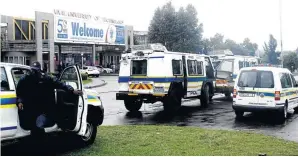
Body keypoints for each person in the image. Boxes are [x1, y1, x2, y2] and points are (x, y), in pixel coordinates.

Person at [16, 61, 82, 145]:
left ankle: (41, 144)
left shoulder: (46, 78)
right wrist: (20, 101)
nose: (34, 72)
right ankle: (38, 144)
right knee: (34, 126)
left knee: (38, 124)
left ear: (40, 70)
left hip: (43, 108)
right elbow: (19, 92)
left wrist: (72, 90)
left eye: (36, 70)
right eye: (32, 70)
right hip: (31, 107)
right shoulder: (25, 79)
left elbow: (60, 84)